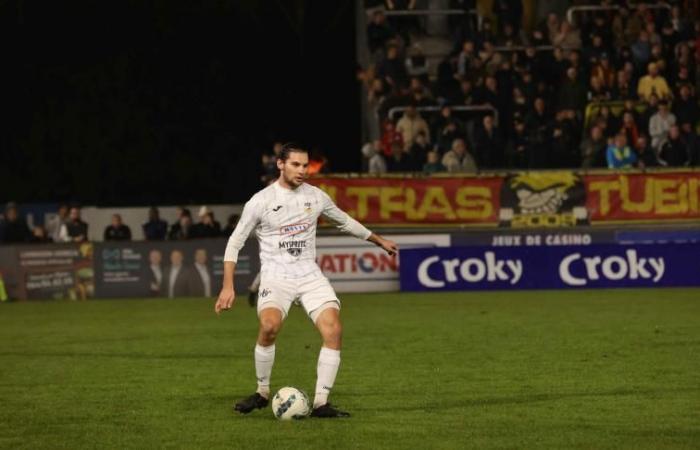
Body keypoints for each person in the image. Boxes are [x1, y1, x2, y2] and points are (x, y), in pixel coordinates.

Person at [215, 143, 397, 418]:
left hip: (310, 275)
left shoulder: (316, 196)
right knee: (269, 326)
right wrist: (228, 285)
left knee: (333, 331)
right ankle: (262, 392)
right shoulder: (260, 201)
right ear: (280, 165)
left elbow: (344, 221)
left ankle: (322, 403)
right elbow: (235, 242)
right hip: (276, 277)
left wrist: (378, 239)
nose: (302, 171)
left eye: (305, 165)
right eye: (296, 165)